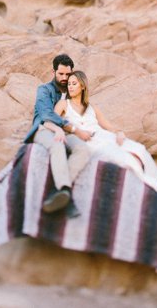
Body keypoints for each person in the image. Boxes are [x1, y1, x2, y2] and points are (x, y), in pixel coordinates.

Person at [52, 71, 157, 193]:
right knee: (125, 160)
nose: (70, 86)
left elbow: (109, 127)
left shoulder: (91, 107)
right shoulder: (64, 104)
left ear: (82, 86)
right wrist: (69, 130)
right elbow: (53, 119)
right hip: (89, 143)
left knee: (139, 149)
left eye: (74, 83)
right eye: (69, 84)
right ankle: (156, 186)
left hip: (104, 136)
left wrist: (119, 133)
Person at [23, 53, 92, 217]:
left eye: (67, 74)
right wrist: (64, 128)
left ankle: (60, 192)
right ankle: (67, 199)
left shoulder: (72, 90)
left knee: (83, 149)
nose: (64, 77)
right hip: (44, 129)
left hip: (66, 130)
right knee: (57, 144)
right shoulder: (44, 90)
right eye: (60, 74)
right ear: (54, 71)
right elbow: (46, 113)